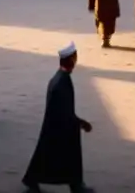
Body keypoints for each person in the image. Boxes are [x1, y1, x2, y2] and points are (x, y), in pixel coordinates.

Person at [22, 42, 94, 193]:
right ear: (72, 60)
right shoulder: (62, 82)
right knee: (68, 155)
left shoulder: (58, 78)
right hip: (62, 126)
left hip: (55, 125)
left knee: (47, 154)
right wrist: (80, 123)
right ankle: (75, 185)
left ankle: (33, 180)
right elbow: (65, 110)